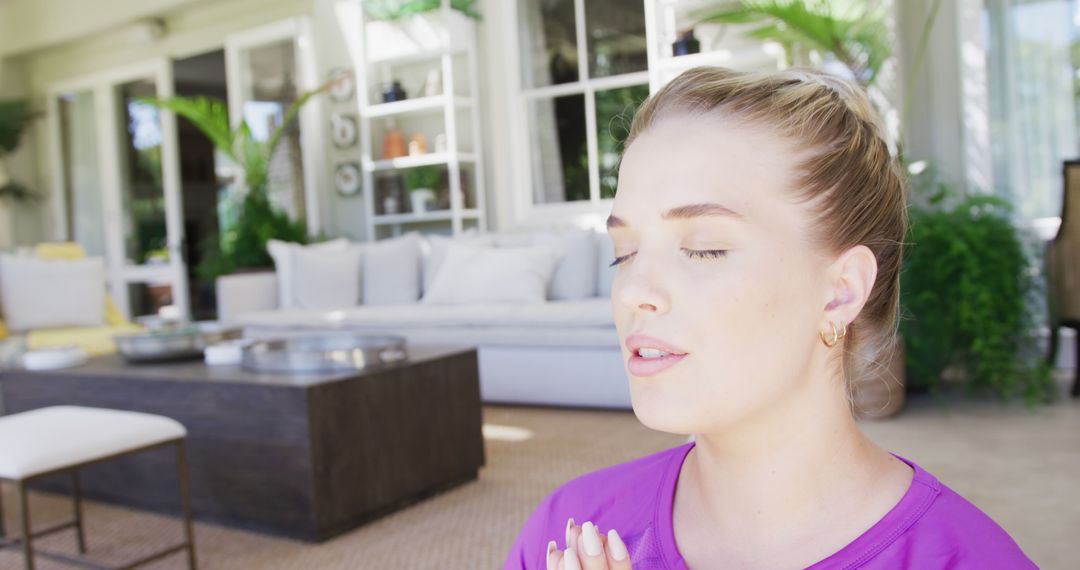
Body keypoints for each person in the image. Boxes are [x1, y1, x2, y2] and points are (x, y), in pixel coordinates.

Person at [503, 66, 1037, 570]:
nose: (634, 291)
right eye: (624, 252)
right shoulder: (572, 532)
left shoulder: (966, 557)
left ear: (840, 291)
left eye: (705, 248)